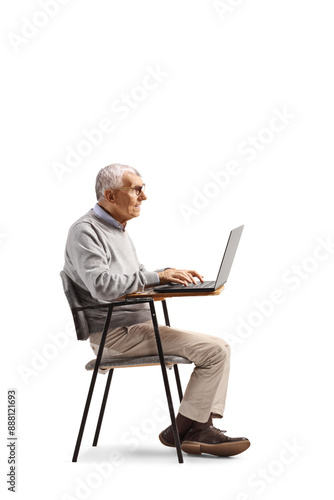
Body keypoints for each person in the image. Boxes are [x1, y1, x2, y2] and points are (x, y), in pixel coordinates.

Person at [63, 163, 250, 457]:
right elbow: (102, 286)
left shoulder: (117, 229)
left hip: (137, 328)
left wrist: (166, 274)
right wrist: (156, 278)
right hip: (115, 335)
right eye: (136, 189)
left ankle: (191, 428)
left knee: (217, 348)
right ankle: (187, 429)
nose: (143, 196)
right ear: (110, 195)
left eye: (142, 189)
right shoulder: (85, 232)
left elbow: (134, 277)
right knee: (216, 350)